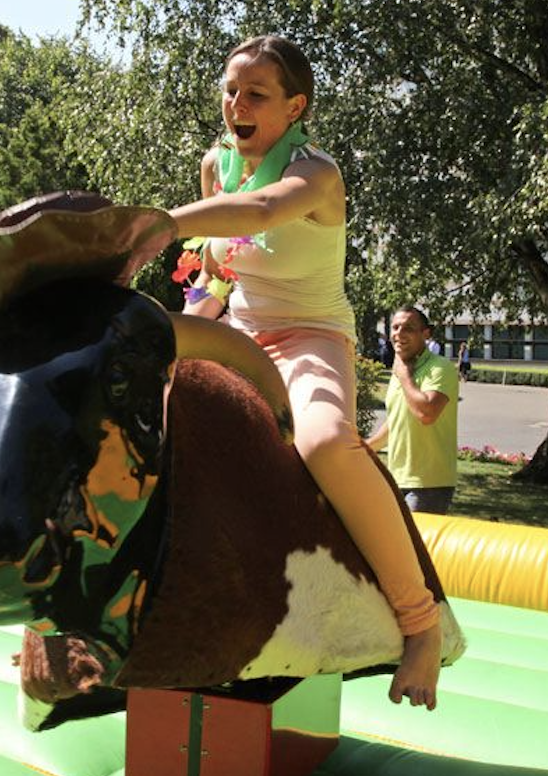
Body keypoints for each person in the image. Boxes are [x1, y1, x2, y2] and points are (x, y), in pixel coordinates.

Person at [168, 34, 441, 709]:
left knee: (322, 440)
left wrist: (150, 226)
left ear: (296, 107)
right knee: (141, 403)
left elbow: (260, 214)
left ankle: (421, 623)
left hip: (312, 337)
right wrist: (180, 328)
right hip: (241, 332)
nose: (237, 103)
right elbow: (217, 276)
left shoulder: (317, 174)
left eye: (256, 93)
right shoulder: (215, 166)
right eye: (231, 90)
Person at [368, 307, 459, 514]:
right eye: (395, 327)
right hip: (396, 479)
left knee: (414, 545)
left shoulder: (440, 368)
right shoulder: (401, 370)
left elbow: (426, 413)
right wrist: (365, 448)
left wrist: (405, 377)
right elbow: (398, 420)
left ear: (425, 334)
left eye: (408, 328)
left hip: (428, 483)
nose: (399, 334)